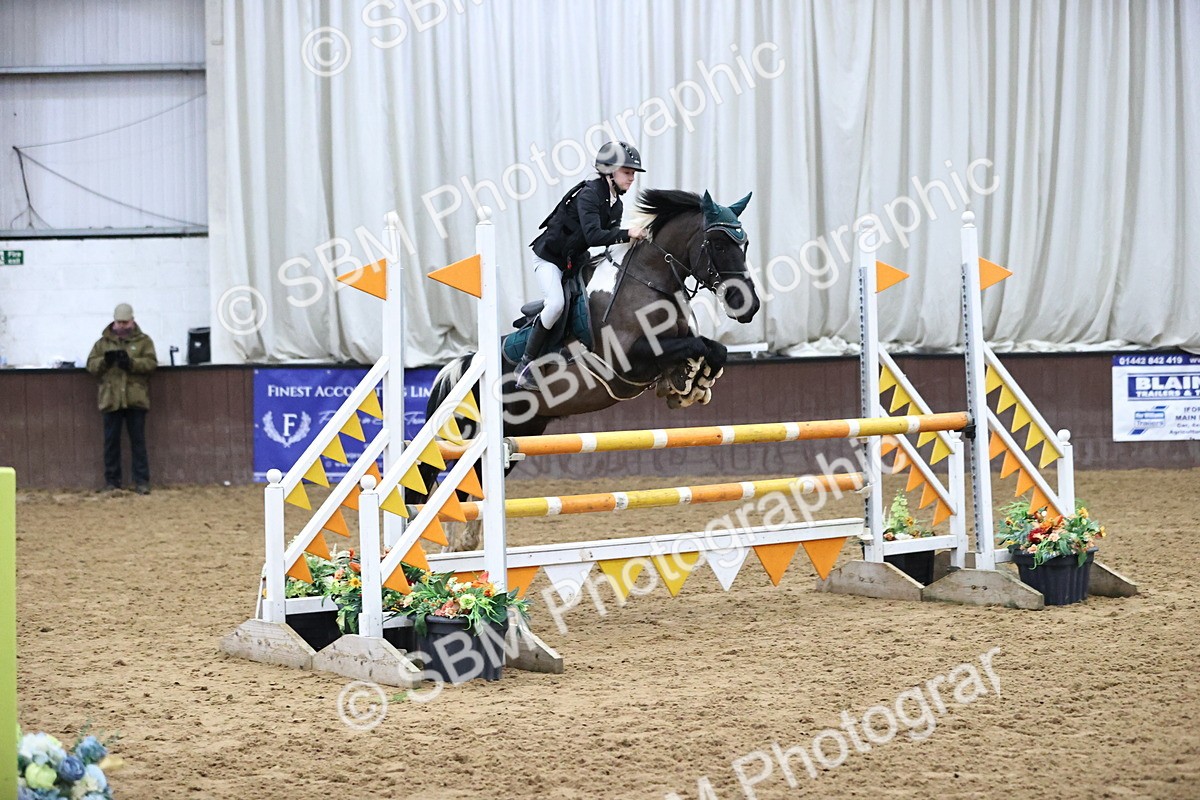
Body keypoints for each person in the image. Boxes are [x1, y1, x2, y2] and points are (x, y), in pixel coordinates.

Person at [516, 140, 649, 388]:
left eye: (633, 174)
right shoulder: (589, 194)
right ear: (609, 171)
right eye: (627, 172)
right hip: (549, 259)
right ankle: (526, 363)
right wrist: (628, 232)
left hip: (574, 260)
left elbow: (608, 241)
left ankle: (571, 345)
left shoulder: (615, 203)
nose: (632, 179)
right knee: (555, 303)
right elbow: (594, 236)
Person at [86, 303, 157, 494]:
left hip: (135, 399)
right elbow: (91, 365)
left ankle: (142, 482)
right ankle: (112, 482)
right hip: (111, 398)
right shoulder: (102, 343)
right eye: (119, 322)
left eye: (125, 322)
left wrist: (131, 363)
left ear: (132, 321)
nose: (122, 326)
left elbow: (151, 363)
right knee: (111, 443)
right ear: (114, 321)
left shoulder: (144, 341)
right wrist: (104, 361)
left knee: (138, 442)